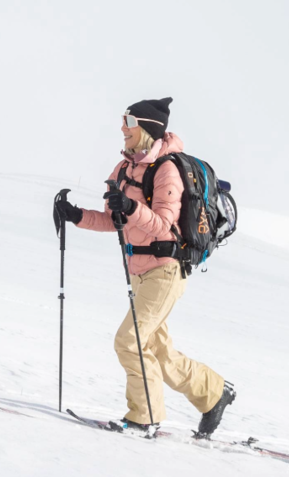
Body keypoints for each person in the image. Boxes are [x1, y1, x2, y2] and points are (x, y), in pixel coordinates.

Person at [52, 97, 237, 438]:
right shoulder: (124, 169)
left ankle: (145, 417)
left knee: (130, 340)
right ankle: (214, 394)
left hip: (166, 268)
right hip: (138, 269)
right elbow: (115, 220)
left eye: (129, 121)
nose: (123, 128)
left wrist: (131, 206)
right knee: (158, 352)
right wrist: (77, 216)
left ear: (147, 128)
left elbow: (165, 225)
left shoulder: (166, 170)